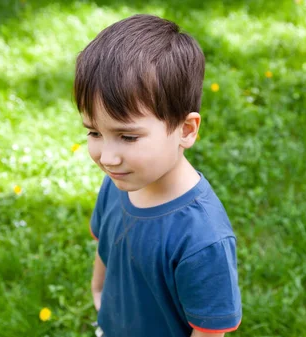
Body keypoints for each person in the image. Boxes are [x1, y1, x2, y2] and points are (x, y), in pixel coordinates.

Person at [73, 14, 242, 337]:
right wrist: (98, 293)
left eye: (128, 137)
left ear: (186, 130)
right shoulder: (117, 183)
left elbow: (209, 331)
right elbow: (107, 246)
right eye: (94, 132)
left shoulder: (202, 237)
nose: (107, 158)